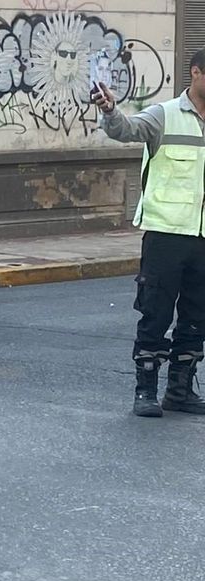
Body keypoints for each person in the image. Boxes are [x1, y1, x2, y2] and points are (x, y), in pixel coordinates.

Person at [94, 47, 205, 417]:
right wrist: (110, 110)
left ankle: (181, 390)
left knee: (197, 316)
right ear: (196, 73)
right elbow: (125, 130)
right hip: (166, 235)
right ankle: (145, 391)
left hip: (203, 238)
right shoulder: (165, 115)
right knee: (156, 313)